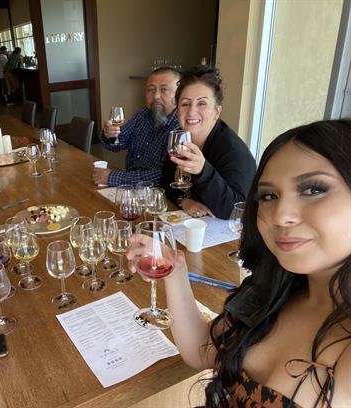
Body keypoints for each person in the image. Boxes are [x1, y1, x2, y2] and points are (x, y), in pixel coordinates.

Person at [128, 119, 351, 407]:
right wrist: (175, 271)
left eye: (313, 190)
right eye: (269, 196)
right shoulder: (272, 288)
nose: (280, 215)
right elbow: (201, 351)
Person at [160, 66, 256, 219]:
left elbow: (236, 210)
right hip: (190, 224)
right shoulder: (180, 139)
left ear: (217, 112)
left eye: (202, 103)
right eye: (185, 104)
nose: (191, 111)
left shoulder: (233, 152)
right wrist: (183, 201)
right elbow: (166, 183)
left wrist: (202, 170)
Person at [94, 67, 181, 187]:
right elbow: (118, 143)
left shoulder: (180, 127)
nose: (156, 96)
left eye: (164, 89)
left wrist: (112, 177)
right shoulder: (144, 113)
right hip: (130, 188)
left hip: (158, 193)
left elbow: (164, 175)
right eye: (150, 90)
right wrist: (109, 135)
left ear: (179, 95)